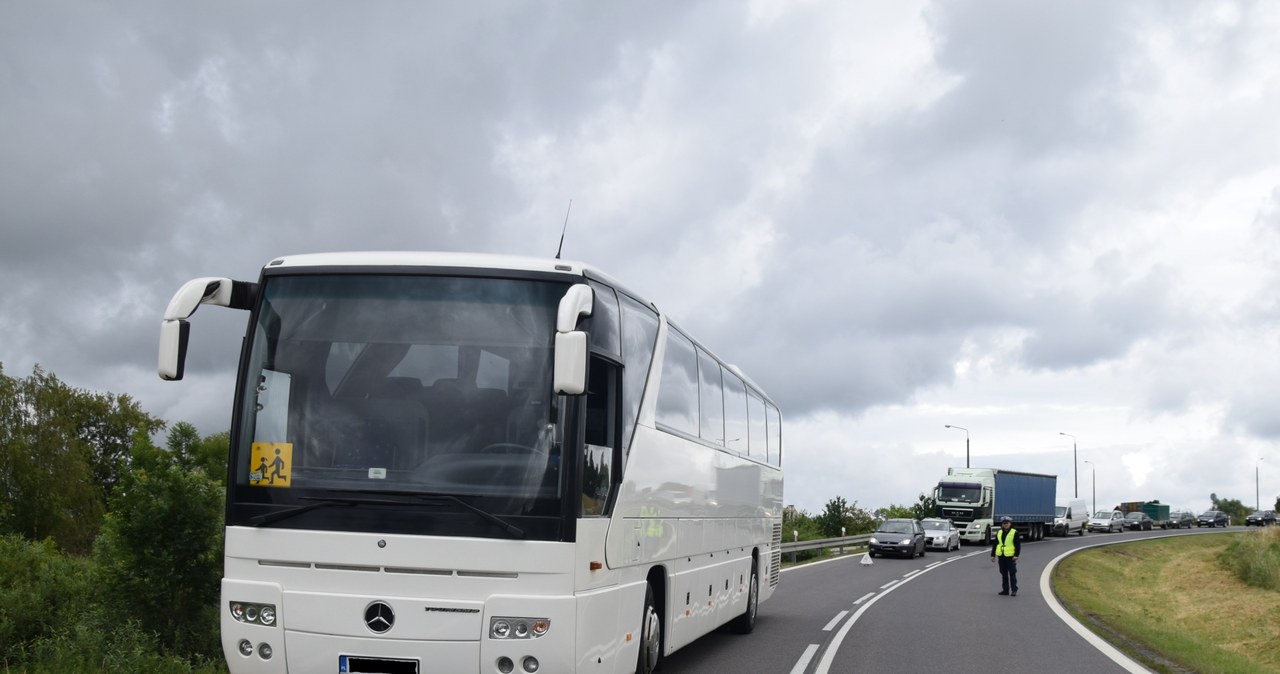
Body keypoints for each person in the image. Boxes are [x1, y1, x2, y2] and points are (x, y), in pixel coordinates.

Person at [990, 516, 1021, 596]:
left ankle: (1014, 590)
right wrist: (993, 555)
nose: (1006, 525)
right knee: (1003, 573)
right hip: (1001, 556)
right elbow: (995, 544)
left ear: (1010, 524)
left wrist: (1016, 555)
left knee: (1012, 573)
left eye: (1007, 523)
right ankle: (1005, 590)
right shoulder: (999, 532)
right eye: (1004, 523)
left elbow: (1018, 545)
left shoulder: (1014, 532)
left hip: (1010, 556)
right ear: (1002, 524)